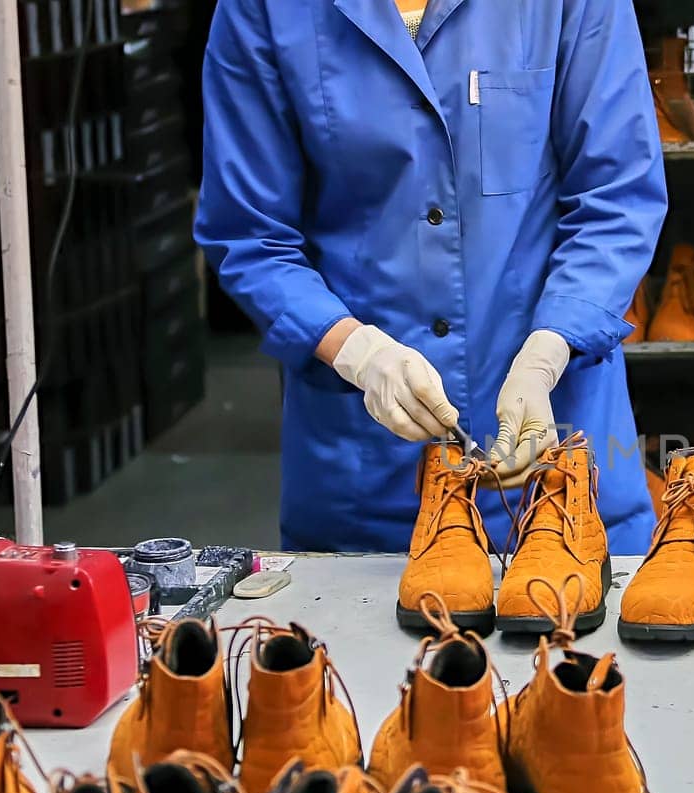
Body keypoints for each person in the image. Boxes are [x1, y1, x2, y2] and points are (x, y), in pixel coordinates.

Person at [195, 0, 667, 554]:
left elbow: (617, 198)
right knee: (358, 635)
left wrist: (549, 350)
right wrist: (355, 351)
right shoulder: (266, 10)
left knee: (581, 633)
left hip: (561, 456)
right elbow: (250, 232)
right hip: (367, 474)